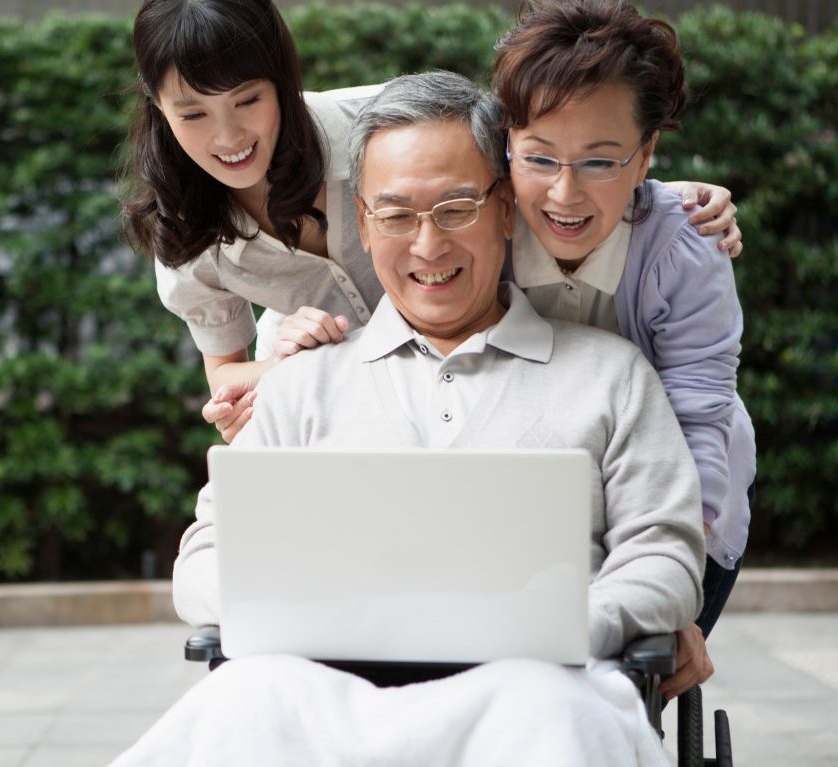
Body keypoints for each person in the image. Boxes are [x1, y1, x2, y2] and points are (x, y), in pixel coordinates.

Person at [112, 71, 703, 767]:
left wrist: (575, 621)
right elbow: (202, 558)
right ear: (363, 223)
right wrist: (302, 609)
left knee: (548, 709)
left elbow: (664, 553)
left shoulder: (609, 375)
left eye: (456, 208)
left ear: (508, 208)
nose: (427, 245)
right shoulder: (301, 386)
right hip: (323, 692)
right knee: (245, 699)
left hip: (533, 688)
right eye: (395, 216)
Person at [121, 0, 743, 442]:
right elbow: (226, 376)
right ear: (157, 105)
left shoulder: (385, 126)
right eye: (192, 113)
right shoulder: (183, 229)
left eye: (248, 101)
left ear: (283, 82)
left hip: (486, 384)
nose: (228, 137)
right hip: (353, 402)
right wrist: (286, 376)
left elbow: (538, 141)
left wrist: (657, 199)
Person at [490, 0, 756, 694]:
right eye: (539, 157)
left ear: (646, 156)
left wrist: (676, 589)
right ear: (505, 145)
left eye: (600, 161)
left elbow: (700, 420)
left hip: (683, 501)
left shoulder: (684, 251)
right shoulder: (480, 228)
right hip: (533, 510)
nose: (564, 192)